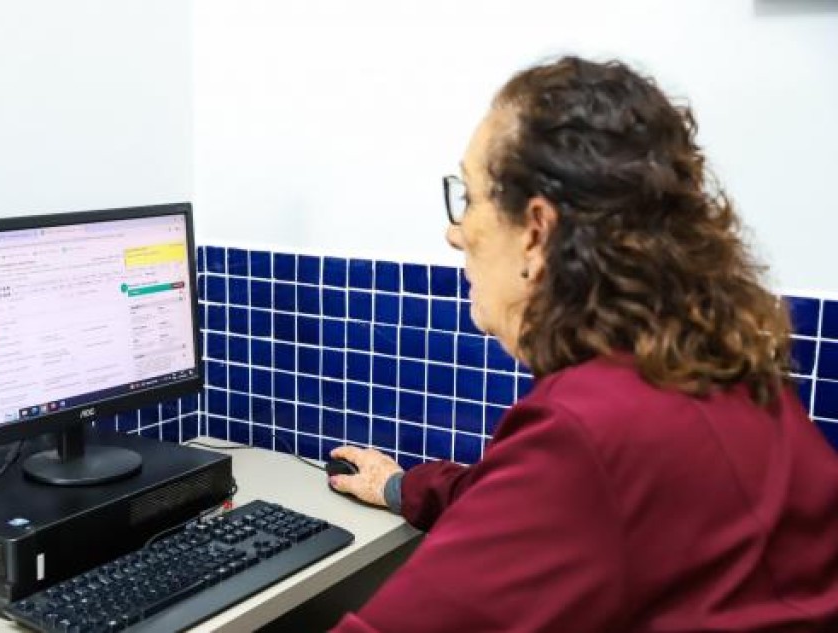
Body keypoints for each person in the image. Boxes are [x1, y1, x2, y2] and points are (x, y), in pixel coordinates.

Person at [327, 56, 838, 632]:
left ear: (536, 232)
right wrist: (400, 487)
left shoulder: (591, 431)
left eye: (468, 197)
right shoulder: (718, 369)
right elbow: (544, 506)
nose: (455, 232)